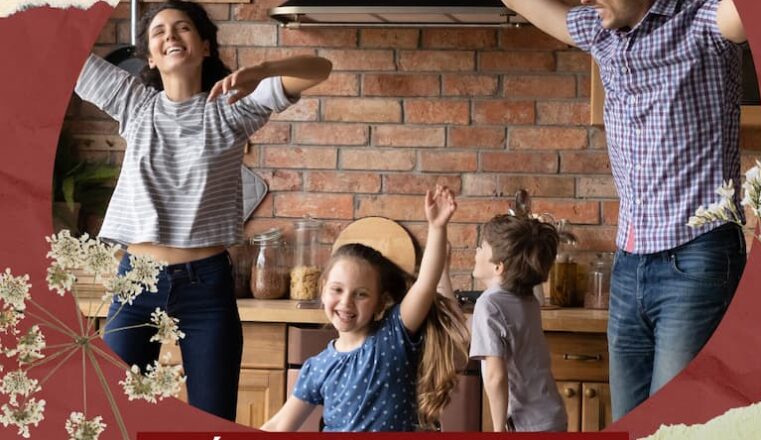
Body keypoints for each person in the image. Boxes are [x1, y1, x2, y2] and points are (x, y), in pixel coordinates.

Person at [75, 0, 332, 421]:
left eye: (183, 28)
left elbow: (319, 68)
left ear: (206, 46)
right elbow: (61, 55)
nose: (170, 36)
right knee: (112, 417)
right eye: (159, 32)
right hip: (136, 284)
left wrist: (262, 71)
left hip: (206, 289)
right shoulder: (134, 104)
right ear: (151, 57)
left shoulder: (233, 109)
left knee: (213, 419)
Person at [500, 0, 749, 421]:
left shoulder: (704, 20)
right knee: (630, 424)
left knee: (673, 425)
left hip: (697, 259)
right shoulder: (601, 27)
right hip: (629, 264)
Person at [261, 186, 470, 432]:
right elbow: (279, 425)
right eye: (337, 290)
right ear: (323, 289)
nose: (346, 303)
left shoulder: (394, 335)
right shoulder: (317, 367)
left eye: (361, 294)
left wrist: (437, 228)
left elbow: (425, 283)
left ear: (380, 303)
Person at [470, 214, 568, 432]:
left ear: (498, 267)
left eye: (482, 247)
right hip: (552, 416)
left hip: (527, 425)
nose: (476, 251)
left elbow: (496, 377)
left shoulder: (488, 304)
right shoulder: (528, 298)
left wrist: (497, 430)